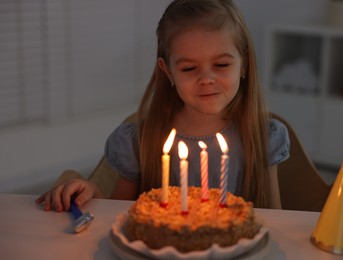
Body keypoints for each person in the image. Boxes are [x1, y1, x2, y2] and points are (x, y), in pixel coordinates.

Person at [36, 0, 290, 212]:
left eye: (221, 65)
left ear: (244, 64)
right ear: (167, 71)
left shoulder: (263, 137)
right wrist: (91, 194)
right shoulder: (141, 142)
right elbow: (118, 216)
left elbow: (277, 221)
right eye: (189, 68)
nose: (206, 79)